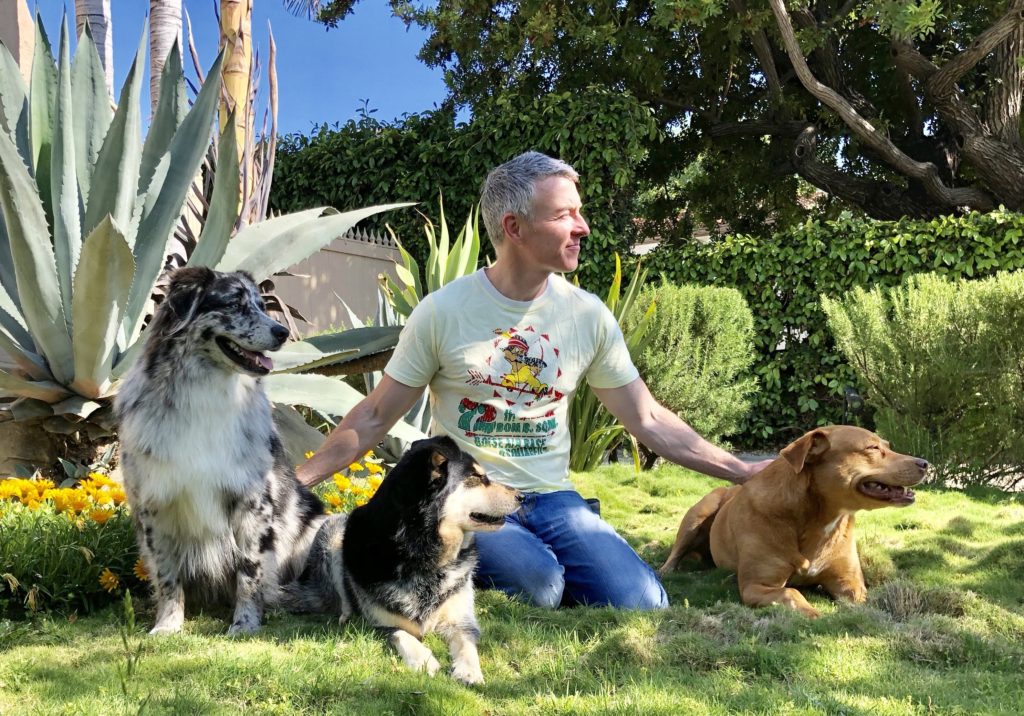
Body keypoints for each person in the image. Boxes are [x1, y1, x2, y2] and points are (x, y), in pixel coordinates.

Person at [297, 151, 773, 610]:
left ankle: (563, 556)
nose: (582, 227)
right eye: (565, 215)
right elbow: (377, 413)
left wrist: (742, 471)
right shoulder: (443, 312)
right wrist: (295, 484)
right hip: (471, 495)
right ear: (514, 227)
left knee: (642, 601)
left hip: (554, 499)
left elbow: (647, 418)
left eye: (579, 213)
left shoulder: (586, 315)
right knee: (539, 586)